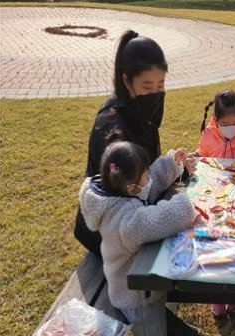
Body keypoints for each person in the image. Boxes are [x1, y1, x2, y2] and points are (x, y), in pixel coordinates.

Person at [79, 141, 200, 336]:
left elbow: (149, 181)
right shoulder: (127, 221)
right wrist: (185, 205)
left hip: (130, 277)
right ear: (131, 187)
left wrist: (171, 164)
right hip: (135, 295)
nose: (149, 178)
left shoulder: (116, 192)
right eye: (144, 175)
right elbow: (160, 218)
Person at [74, 30, 196, 257]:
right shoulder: (112, 131)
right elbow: (126, 213)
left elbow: (144, 175)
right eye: (148, 87)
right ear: (126, 81)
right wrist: (180, 209)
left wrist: (174, 167)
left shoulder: (138, 108)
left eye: (161, 85)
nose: (156, 94)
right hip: (112, 237)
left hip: (135, 214)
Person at [197, 88, 235, 316]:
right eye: (225, 123)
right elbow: (203, 157)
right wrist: (196, 158)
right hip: (214, 198)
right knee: (215, 243)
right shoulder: (208, 135)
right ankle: (217, 296)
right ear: (215, 121)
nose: (231, 127)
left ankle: (234, 294)